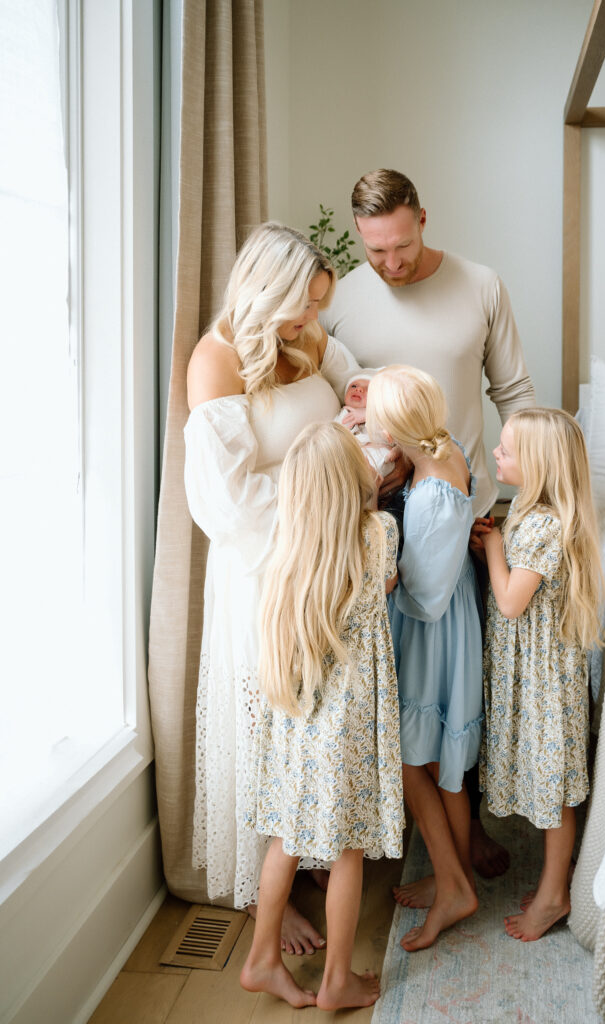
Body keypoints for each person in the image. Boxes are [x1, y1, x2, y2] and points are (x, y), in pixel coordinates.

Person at [320, 167, 536, 880]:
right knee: (393, 694)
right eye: (375, 250)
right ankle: (381, 835)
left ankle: (463, 832)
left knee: (456, 687)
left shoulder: (480, 286)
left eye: (401, 246)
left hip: (459, 517)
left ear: (422, 218)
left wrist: (536, 493)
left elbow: (515, 393)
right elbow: (330, 402)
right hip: (373, 527)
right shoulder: (343, 300)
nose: (390, 264)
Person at [184, 222, 361, 955]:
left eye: (320, 307)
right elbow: (223, 503)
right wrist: (319, 492)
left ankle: (310, 851)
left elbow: (355, 391)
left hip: (328, 560)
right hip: (263, 568)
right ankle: (265, 891)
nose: (313, 322)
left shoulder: (309, 340)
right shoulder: (217, 361)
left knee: (317, 717)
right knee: (267, 722)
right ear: (267, 294)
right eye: (303, 307)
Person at [240, 421, 403, 1009]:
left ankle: (261, 958)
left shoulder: (288, 542)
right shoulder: (378, 533)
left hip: (294, 715)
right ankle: (336, 978)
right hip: (347, 725)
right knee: (347, 850)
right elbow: (386, 585)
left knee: (287, 835)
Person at [365, 365, 483, 952]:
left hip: (429, 629)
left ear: (393, 427)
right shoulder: (442, 447)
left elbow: (423, 593)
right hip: (443, 614)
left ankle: (453, 886)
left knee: (414, 761)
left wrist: (372, 579)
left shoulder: (433, 495)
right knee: (441, 766)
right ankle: (450, 873)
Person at [478, 408, 604, 941]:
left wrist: (490, 550)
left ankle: (555, 894)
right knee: (547, 783)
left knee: (552, 790)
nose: (497, 455)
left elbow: (510, 602)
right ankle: (556, 879)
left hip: (544, 682)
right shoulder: (533, 515)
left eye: (506, 451)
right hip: (533, 674)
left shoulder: (547, 526)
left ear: (539, 465)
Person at [334, 370, 395, 477]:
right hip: (356, 456)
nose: (359, 389)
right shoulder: (345, 413)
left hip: (382, 455)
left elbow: (390, 435)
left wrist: (369, 415)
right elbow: (335, 437)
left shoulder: (382, 415)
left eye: (369, 389)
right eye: (353, 386)